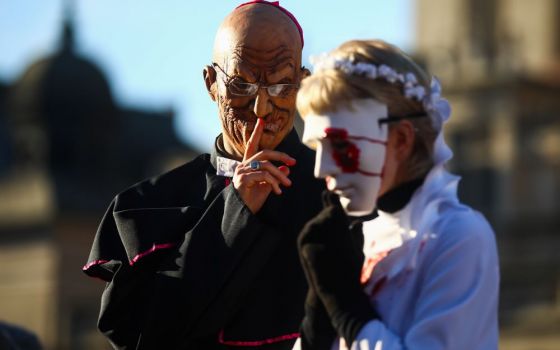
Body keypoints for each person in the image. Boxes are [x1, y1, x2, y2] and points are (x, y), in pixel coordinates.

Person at [82, 1, 324, 349]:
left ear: (302, 86)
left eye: (280, 86)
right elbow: (138, 335)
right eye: (241, 85)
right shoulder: (147, 205)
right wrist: (234, 212)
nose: (261, 108)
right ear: (211, 82)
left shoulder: (335, 194)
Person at [293, 39, 499, 349]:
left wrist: (348, 310)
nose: (321, 169)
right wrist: (317, 324)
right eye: (315, 148)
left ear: (401, 139)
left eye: (339, 145)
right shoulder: (363, 238)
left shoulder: (458, 235)